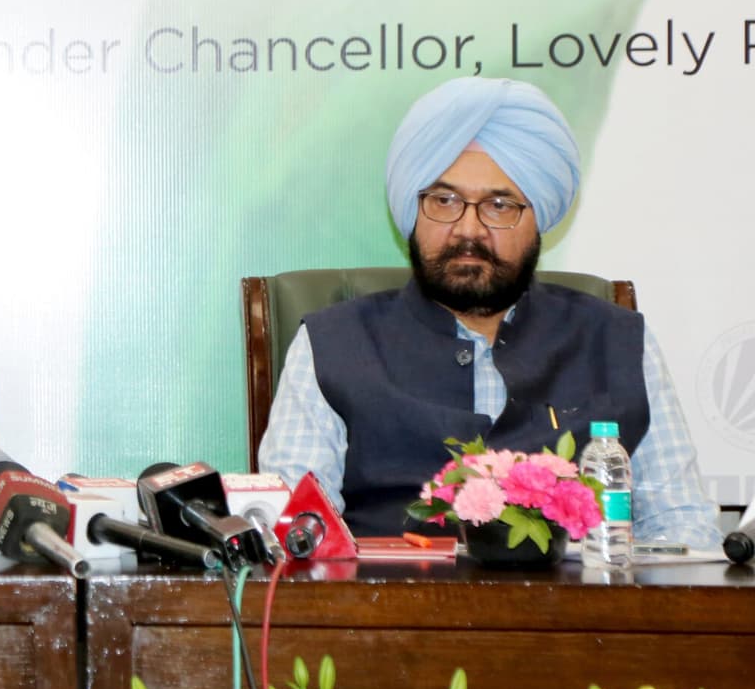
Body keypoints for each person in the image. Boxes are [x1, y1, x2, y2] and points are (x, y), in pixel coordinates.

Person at [260, 78, 719, 548]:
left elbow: (685, 531)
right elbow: (292, 540)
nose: (468, 229)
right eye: (444, 201)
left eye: (499, 205)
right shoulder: (332, 346)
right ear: (414, 210)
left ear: (538, 219)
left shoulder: (618, 344)